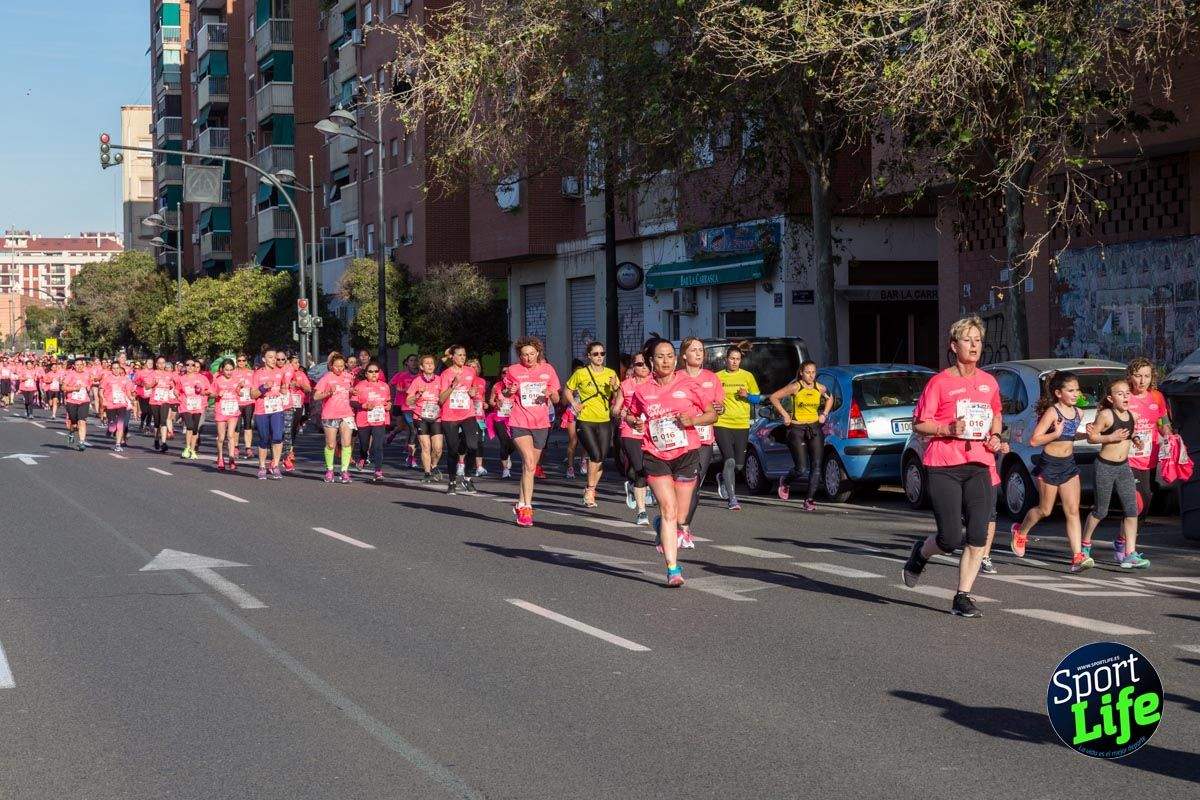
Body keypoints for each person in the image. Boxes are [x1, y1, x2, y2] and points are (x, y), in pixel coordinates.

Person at [902, 316, 1006, 618]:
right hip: (944, 464)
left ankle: (963, 596)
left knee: (977, 535)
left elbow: (996, 414)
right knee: (949, 538)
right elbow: (919, 424)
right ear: (953, 345)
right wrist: (948, 428)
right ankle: (920, 554)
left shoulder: (989, 382)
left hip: (979, 463)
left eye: (978, 341)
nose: (974, 346)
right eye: (967, 340)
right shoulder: (940, 382)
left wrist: (996, 436)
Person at [624, 340, 718, 586]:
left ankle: (662, 528)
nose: (665, 361)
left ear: (675, 360)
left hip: (686, 453)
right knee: (668, 509)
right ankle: (673, 570)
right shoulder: (643, 390)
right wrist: (635, 422)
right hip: (655, 454)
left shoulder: (689, 385)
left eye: (669, 356)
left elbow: (712, 413)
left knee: (680, 516)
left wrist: (693, 420)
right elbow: (631, 413)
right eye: (660, 357)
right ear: (652, 362)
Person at [1010, 370, 1091, 572]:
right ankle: (1021, 531)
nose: (1076, 394)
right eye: (1070, 390)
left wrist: (1087, 434)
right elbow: (1035, 439)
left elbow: (1069, 436)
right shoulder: (1053, 412)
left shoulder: (1079, 413)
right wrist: (1055, 433)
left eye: (1077, 390)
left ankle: (1077, 556)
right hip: (1050, 464)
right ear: (1058, 393)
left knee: (1072, 511)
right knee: (1045, 510)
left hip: (1069, 465)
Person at [1082, 378, 1148, 568]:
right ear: (1111, 399)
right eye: (1120, 394)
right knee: (1101, 510)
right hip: (1105, 466)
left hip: (1123, 467)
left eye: (1127, 393)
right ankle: (1085, 544)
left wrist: (1136, 440)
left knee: (1132, 510)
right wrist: (1111, 437)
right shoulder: (1106, 415)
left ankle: (1130, 552)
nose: (1125, 396)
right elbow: (1092, 438)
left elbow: (1130, 432)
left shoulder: (1132, 416)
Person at [502, 338, 561, 524]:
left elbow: (558, 398)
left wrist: (551, 394)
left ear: (538, 353)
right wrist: (509, 391)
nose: (528, 357)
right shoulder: (513, 371)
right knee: (528, 463)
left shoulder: (548, 370)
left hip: (541, 423)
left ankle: (520, 503)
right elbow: (504, 393)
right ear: (520, 355)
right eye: (524, 354)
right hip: (519, 420)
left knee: (530, 468)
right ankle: (527, 508)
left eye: (531, 354)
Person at [1123, 358, 1172, 558]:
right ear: (1130, 377)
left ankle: (1123, 539)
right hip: (1127, 459)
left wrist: (1169, 436)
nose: (1142, 380)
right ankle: (1128, 549)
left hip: (1150, 458)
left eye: (1146, 376)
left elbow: (1163, 421)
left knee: (1147, 499)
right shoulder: (1124, 396)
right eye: (1138, 376)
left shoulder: (1157, 397)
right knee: (1136, 502)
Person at [769, 360, 833, 510]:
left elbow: (830, 398)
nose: (811, 376)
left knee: (817, 465)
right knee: (802, 468)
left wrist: (824, 413)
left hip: (814, 428)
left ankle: (809, 499)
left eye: (813, 372)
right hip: (797, 429)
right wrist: (785, 414)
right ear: (801, 373)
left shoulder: (820, 387)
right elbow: (774, 397)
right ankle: (785, 481)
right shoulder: (796, 387)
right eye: (808, 372)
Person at [678, 337, 722, 545]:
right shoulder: (676, 377)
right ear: (684, 355)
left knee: (694, 485)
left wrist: (720, 408)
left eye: (701, 350)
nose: (699, 353)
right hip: (680, 438)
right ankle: (672, 521)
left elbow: (719, 405)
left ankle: (684, 527)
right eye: (694, 350)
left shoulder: (711, 378)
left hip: (704, 438)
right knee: (679, 487)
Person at [565, 342, 619, 507]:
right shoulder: (581, 373)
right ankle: (590, 490)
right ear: (588, 356)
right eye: (595, 354)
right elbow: (567, 389)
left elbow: (618, 393)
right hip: (586, 419)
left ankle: (591, 487)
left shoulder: (611, 373)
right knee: (595, 454)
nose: (599, 357)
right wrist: (573, 403)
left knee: (601, 457)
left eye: (602, 353)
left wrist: (615, 388)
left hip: (604, 419)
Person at [714, 344, 760, 511]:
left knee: (739, 465)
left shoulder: (747, 376)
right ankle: (733, 499)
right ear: (726, 359)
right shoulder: (717, 377)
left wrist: (747, 396)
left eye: (737, 359)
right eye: (732, 359)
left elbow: (757, 398)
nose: (734, 362)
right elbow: (709, 398)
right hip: (722, 423)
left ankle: (722, 477)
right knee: (730, 459)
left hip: (741, 423)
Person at [613, 352, 653, 525]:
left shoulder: (656, 383)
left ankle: (634, 487)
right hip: (630, 431)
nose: (643, 367)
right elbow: (615, 410)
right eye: (639, 364)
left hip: (651, 431)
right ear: (632, 367)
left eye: (646, 364)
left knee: (647, 468)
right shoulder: (626, 385)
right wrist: (620, 413)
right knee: (640, 468)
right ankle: (642, 512)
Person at [438, 345, 482, 494]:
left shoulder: (470, 371)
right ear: (452, 357)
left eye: (464, 355)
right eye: (459, 355)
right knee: (452, 450)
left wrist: (472, 392)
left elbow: (473, 390)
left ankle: (467, 478)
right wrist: (452, 386)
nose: (462, 358)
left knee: (473, 446)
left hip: (467, 413)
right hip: (450, 415)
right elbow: (441, 399)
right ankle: (451, 481)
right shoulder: (445, 374)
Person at [313, 351, 357, 483]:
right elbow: (316, 396)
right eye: (337, 366)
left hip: (346, 414)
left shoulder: (349, 377)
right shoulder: (326, 378)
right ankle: (330, 470)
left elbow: (350, 391)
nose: (340, 368)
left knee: (347, 443)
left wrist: (352, 392)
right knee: (331, 444)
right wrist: (327, 393)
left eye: (342, 366)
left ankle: (344, 471)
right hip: (330, 414)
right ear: (331, 366)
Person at [406, 354, 445, 483]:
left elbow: (445, 396)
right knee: (426, 446)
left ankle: (433, 465)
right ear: (422, 367)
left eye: (432, 363)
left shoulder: (440, 379)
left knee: (438, 448)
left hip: (436, 417)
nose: (429, 365)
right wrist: (418, 394)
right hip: (420, 416)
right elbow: (408, 400)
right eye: (426, 363)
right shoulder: (417, 381)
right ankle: (427, 472)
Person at [250, 348, 288, 480]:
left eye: (275, 357)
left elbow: (283, 387)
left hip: (277, 409)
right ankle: (262, 467)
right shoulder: (258, 374)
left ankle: (275, 465)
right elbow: (252, 394)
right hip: (262, 410)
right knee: (264, 439)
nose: (274, 359)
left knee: (278, 437)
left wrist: (284, 390)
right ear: (264, 359)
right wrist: (263, 387)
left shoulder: (280, 372)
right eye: (271, 357)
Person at [353, 360, 391, 482]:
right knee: (364, 445)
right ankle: (363, 456)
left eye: (376, 371)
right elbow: (352, 402)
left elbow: (389, 401)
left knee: (378, 445)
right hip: (363, 419)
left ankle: (378, 471)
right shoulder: (360, 386)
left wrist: (389, 405)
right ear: (366, 374)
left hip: (379, 420)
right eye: (370, 371)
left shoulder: (385, 386)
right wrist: (364, 406)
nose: (374, 374)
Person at [211, 357, 244, 471]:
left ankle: (231, 458)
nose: (229, 372)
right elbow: (210, 393)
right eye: (226, 370)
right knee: (221, 437)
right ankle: (220, 457)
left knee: (231, 435)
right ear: (222, 369)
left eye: (231, 369)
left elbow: (239, 393)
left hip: (233, 410)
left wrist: (240, 390)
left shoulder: (236, 380)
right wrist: (217, 394)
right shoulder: (217, 380)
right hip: (221, 410)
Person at [388, 354, 420, 467]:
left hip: (415, 406)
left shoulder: (420, 376)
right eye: (411, 360)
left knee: (411, 429)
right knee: (403, 427)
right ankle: (393, 433)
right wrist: (401, 390)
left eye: (416, 360)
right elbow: (391, 384)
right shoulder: (401, 375)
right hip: (400, 403)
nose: (414, 362)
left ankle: (408, 449)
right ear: (407, 362)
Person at [175, 359, 210, 460]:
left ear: (196, 367)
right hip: (186, 406)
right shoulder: (182, 378)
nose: (190, 367)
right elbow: (177, 390)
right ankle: (187, 448)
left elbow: (209, 390)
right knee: (189, 426)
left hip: (198, 406)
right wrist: (176, 394)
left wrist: (203, 392)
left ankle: (192, 449)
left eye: (193, 365)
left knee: (195, 429)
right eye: (188, 365)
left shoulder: (202, 378)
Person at [98, 361, 135, 452]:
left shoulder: (125, 379)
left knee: (120, 425)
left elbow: (128, 392)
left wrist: (132, 399)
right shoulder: (107, 379)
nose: (116, 370)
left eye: (117, 368)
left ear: (120, 369)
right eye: (114, 368)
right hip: (111, 404)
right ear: (111, 369)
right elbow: (101, 391)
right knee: (112, 426)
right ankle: (110, 429)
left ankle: (118, 444)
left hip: (122, 404)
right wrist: (104, 400)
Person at [488, 372, 517, 478]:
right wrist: (496, 403)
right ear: (501, 375)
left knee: (513, 444)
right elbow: (491, 400)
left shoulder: (515, 386)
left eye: (508, 373)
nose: (506, 375)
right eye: (504, 373)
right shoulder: (497, 386)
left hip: (513, 418)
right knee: (504, 442)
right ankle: (505, 469)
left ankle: (508, 455)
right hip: (499, 417)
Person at [61, 358, 92, 451]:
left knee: (82, 421)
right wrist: (74, 388)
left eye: (81, 365)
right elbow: (63, 387)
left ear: (84, 365)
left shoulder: (87, 374)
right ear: (74, 366)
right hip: (72, 401)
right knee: (74, 423)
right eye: (77, 365)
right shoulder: (70, 374)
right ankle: (71, 432)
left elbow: (89, 386)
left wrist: (87, 388)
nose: (79, 367)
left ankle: (81, 442)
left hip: (84, 401)